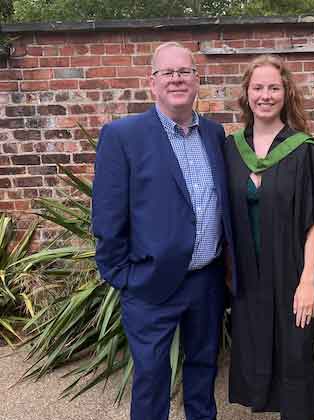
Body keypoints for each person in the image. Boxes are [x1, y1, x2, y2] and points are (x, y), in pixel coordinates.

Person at [92, 42, 236, 420]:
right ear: (151, 83)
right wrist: (123, 277)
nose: (177, 79)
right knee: (152, 378)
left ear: (197, 80)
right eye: (167, 72)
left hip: (205, 283)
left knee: (203, 370)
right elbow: (107, 218)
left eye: (184, 71)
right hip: (149, 284)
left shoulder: (214, 135)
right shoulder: (123, 136)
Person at [223, 54, 314, 420]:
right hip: (249, 275)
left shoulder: (304, 150)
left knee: (296, 355)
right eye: (257, 87)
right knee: (256, 349)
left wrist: (308, 281)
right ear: (246, 94)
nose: (265, 95)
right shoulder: (231, 150)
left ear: (286, 93)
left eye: (273, 87)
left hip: (293, 270)